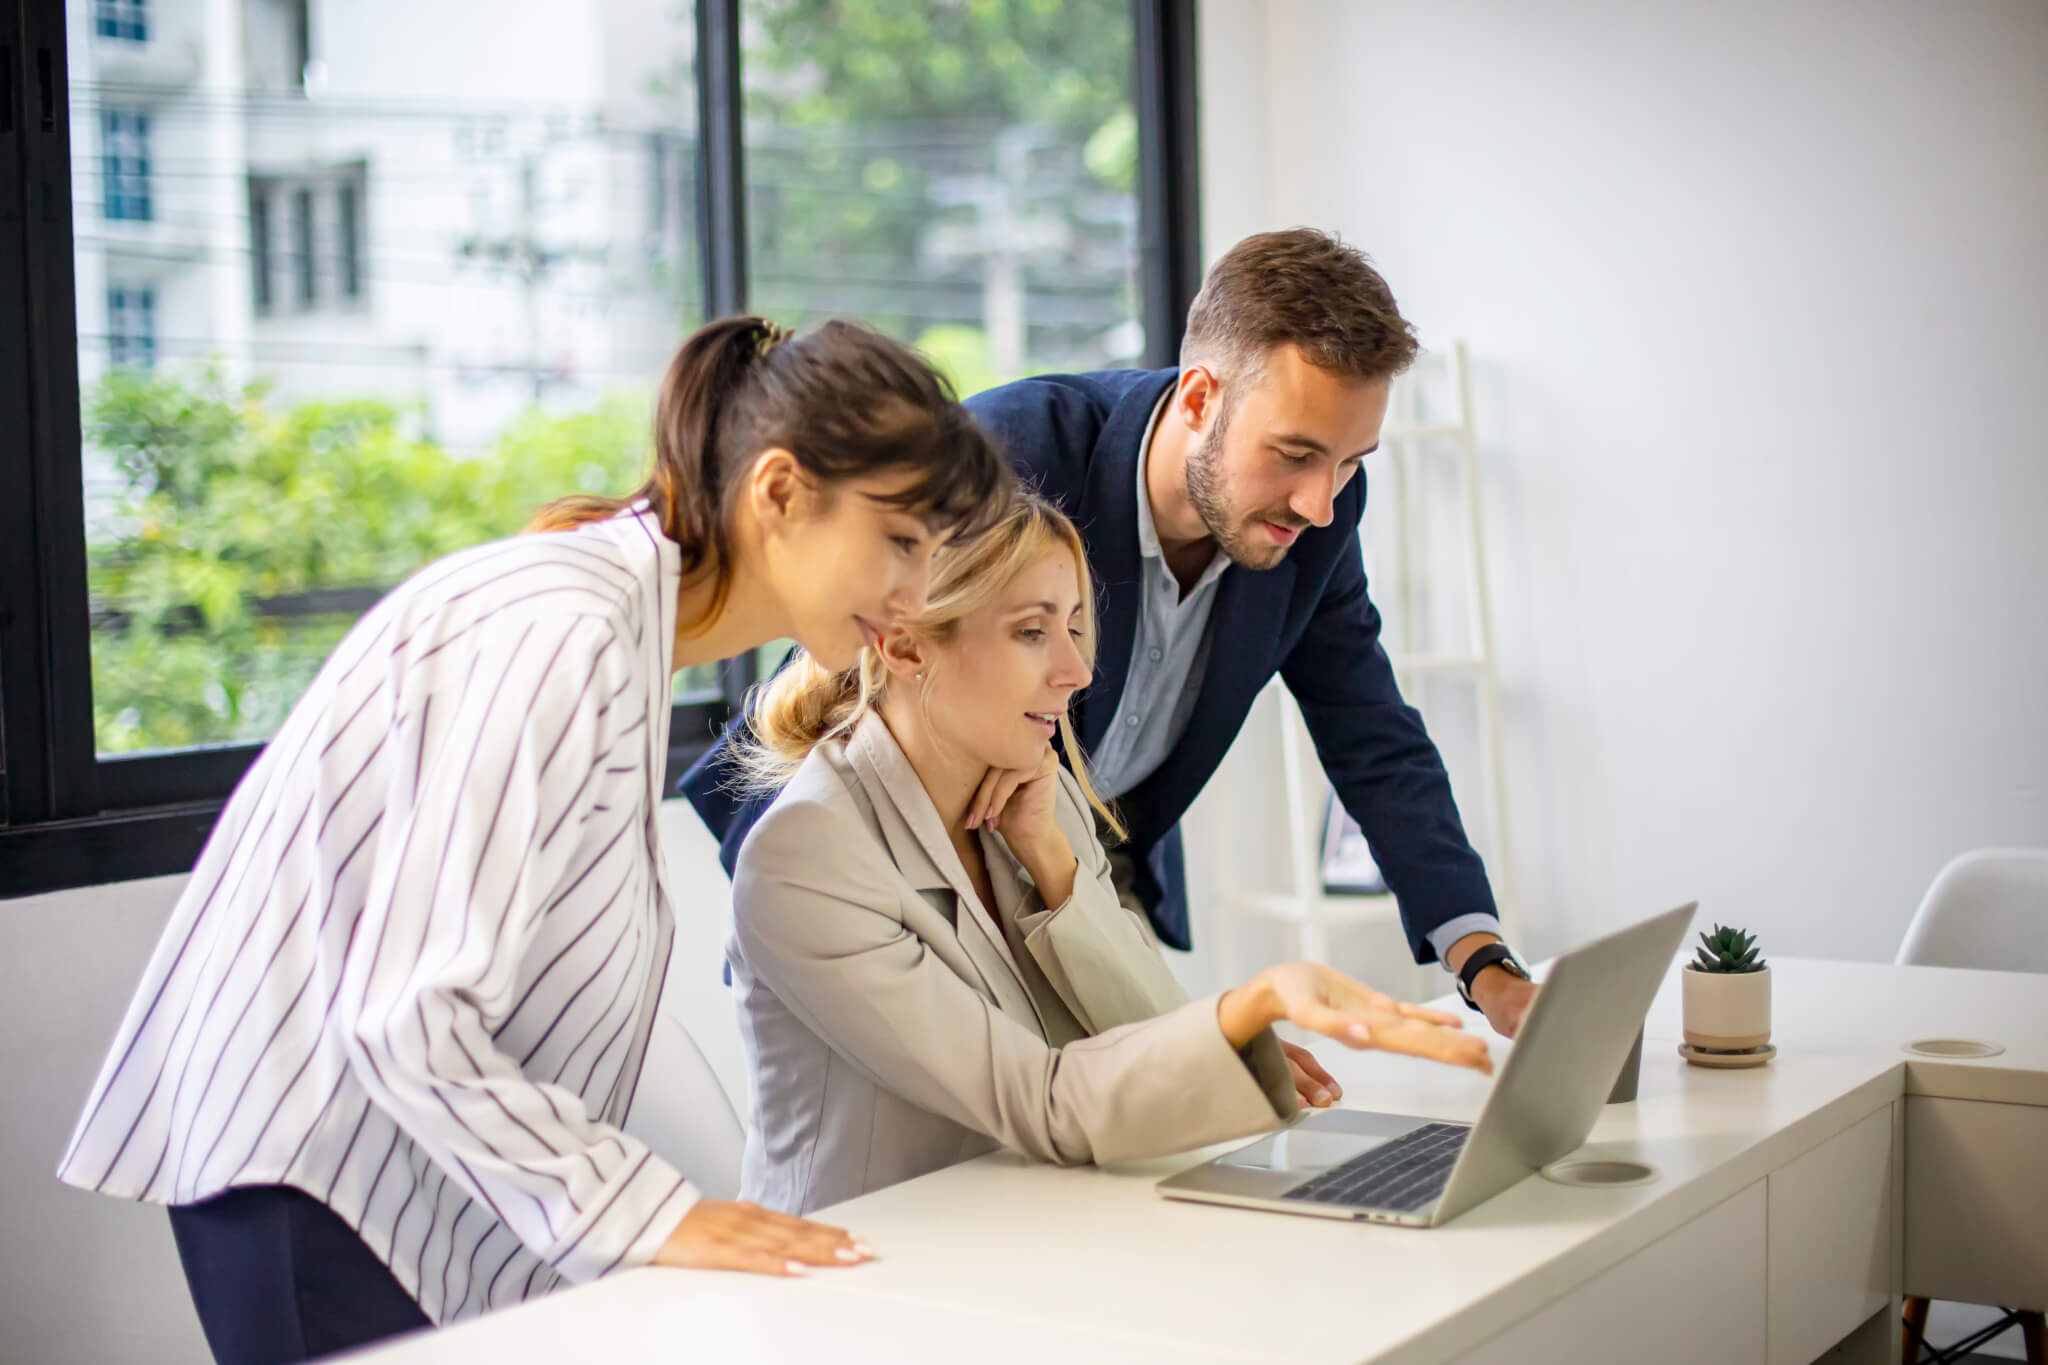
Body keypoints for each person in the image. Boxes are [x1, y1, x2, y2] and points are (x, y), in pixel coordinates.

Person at [56, 317, 1013, 1363]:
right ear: (778, 492)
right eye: (902, 542)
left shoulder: (614, 626)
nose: (915, 596)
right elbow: (408, 1007)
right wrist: (655, 1216)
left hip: (366, 1176)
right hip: (316, 1167)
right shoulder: (563, 628)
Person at [687, 229, 1541, 1042]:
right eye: (1295, 454)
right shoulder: (1008, 453)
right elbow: (835, 680)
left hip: (1091, 860)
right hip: (931, 865)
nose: (1321, 502)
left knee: (1164, 1121)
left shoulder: (1317, 515)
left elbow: (1371, 729)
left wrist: (1485, 962)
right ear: (1201, 396)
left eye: (1352, 462)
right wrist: (795, 925)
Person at [725, 493, 1493, 1214]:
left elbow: (1146, 1022)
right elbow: (1042, 1098)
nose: (1078, 671)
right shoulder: (805, 859)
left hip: (1028, 1226)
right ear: (904, 645)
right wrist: (1250, 1008)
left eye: (1075, 625)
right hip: (866, 1283)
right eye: (1032, 631)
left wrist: (1056, 868)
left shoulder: (1033, 785)